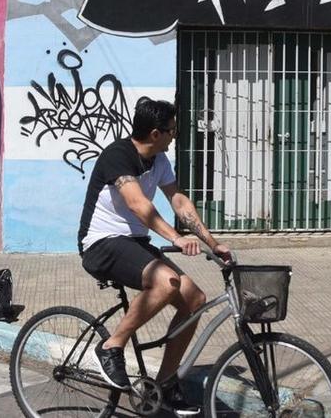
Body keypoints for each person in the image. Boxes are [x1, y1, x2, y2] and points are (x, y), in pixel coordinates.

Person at [78, 97, 230, 416]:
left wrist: (212, 242)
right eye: (172, 130)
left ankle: (164, 387)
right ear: (156, 133)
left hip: (134, 242)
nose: (175, 136)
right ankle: (111, 346)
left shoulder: (159, 160)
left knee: (194, 299)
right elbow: (138, 205)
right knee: (167, 281)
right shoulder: (118, 155)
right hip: (101, 243)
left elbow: (178, 201)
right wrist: (175, 237)